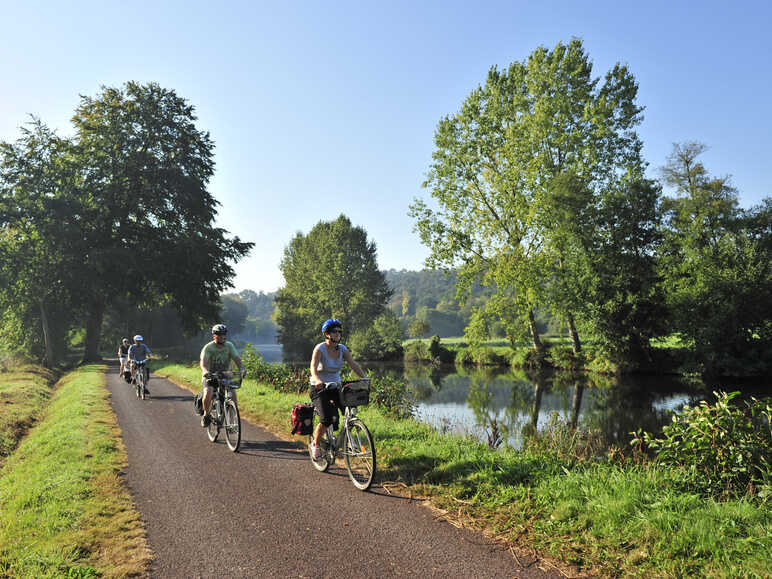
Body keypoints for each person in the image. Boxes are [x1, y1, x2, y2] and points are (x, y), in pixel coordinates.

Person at [308, 319, 367, 460]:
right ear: (326, 333)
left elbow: (353, 364)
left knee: (348, 410)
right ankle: (315, 444)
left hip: (336, 386)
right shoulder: (320, 348)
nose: (338, 334)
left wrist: (364, 378)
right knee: (326, 419)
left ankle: (344, 442)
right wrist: (317, 380)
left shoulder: (342, 349)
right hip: (320, 388)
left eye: (340, 331)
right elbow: (313, 367)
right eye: (335, 331)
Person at [199, 324, 246, 427]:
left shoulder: (229, 346)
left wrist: (242, 369)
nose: (222, 336)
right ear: (214, 336)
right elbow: (203, 362)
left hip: (226, 375)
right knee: (208, 392)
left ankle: (233, 422)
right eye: (219, 334)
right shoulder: (208, 348)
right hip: (211, 375)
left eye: (224, 334)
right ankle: (206, 415)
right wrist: (205, 371)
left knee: (232, 394)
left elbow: (237, 359)